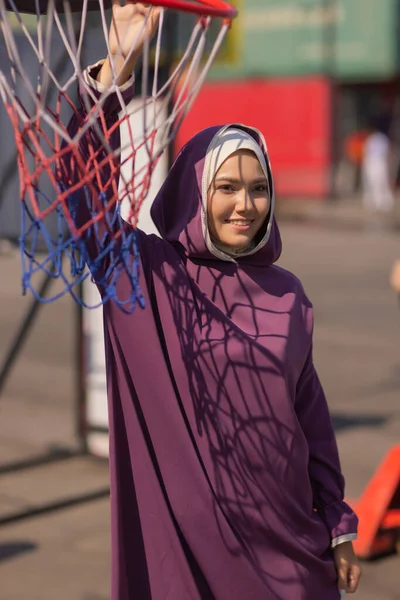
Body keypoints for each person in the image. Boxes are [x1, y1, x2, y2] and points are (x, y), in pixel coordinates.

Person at [63, 2, 362, 598]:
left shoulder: (289, 296)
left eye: (258, 189)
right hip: (189, 551)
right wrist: (118, 61)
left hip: (292, 552)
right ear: (195, 192)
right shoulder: (145, 277)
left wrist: (337, 524)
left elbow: (311, 420)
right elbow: (84, 191)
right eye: (226, 187)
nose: (244, 206)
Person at [362, 122, 395, 213]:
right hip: (377, 162)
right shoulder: (377, 138)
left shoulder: (374, 139)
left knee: (378, 182)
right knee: (378, 182)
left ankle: (383, 202)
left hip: (377, 161)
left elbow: (367, 152)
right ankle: (380, 202)